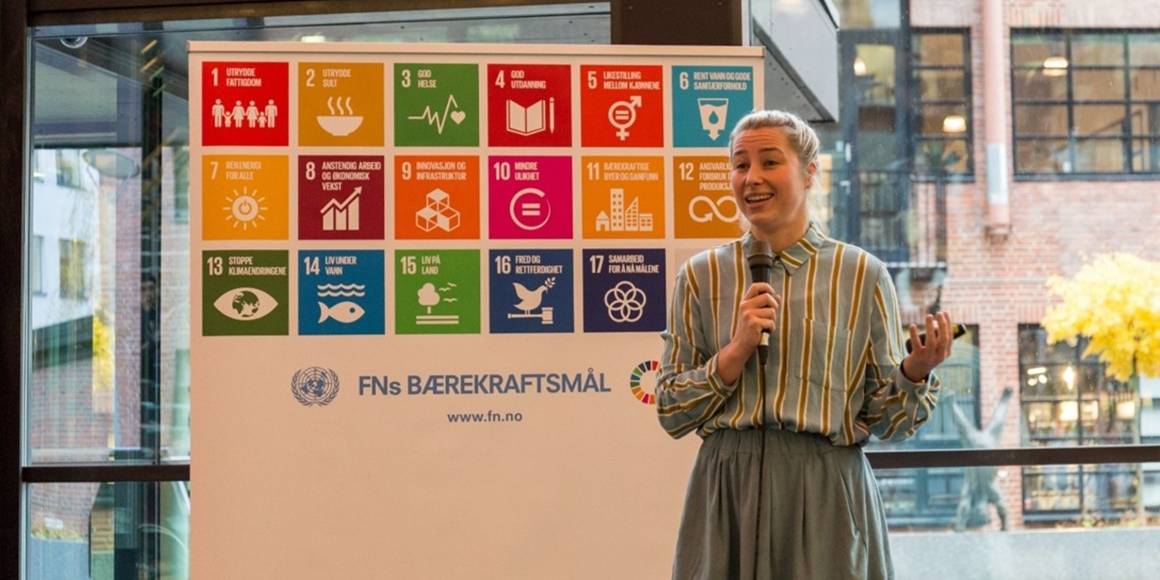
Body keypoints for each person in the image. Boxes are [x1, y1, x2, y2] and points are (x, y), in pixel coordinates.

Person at [657, 109, 954, 580]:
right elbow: (671, 410)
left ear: (810, 172)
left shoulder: (862, 275)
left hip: (826, 492)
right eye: (740, 165)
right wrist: (734, 352)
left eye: (770, 161)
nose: (752, 178)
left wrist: (913, 372)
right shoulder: (700, 276)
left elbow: (889, 423)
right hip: (728, 492)